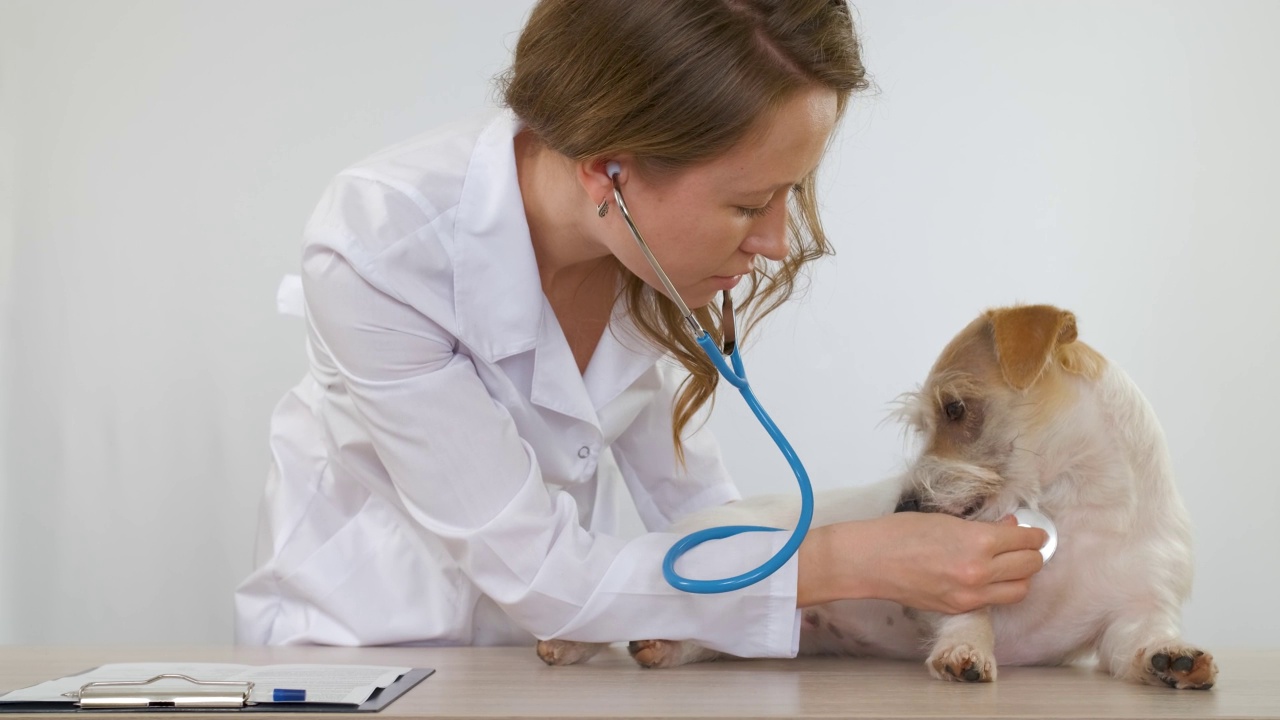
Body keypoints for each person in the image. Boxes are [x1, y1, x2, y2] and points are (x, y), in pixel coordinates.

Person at [234, 0, 1048, 657]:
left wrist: (883, 581)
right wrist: (847, 561)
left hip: (535, 666)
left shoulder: (636, 256)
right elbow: (541, 572)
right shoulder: (379, 244)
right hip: (353, 661)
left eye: (789, 195)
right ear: (607, 170)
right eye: (746, 204)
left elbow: (698, 514)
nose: (775, 244)